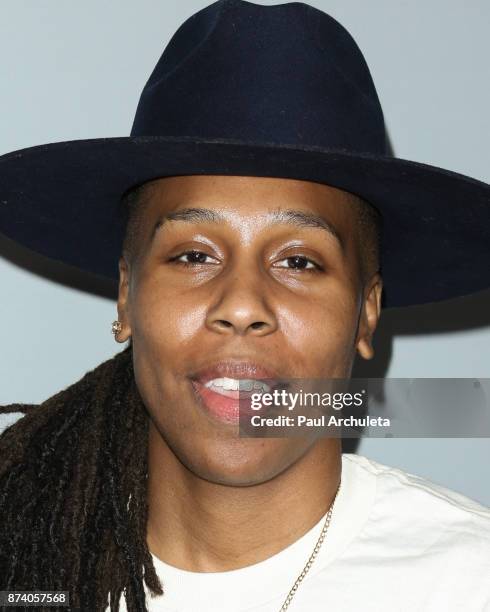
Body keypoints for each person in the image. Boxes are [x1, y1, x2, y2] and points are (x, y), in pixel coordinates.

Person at [0, 1, 489, 611]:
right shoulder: (22, 567)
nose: (241, 305)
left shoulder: (468, 582)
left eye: (299, 261)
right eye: (193, 256)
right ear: (127, 294)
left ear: (366, 312)